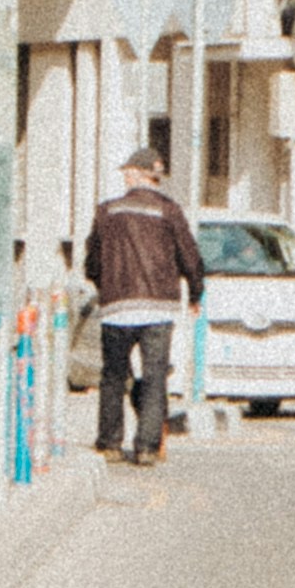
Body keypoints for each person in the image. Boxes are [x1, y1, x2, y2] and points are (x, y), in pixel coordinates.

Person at [82, 148, 203, 466]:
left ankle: (110, 443)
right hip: (159, 307)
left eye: (127, 171)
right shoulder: (169, 210)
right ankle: (147, 447)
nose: (124, 176)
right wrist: (195, 294)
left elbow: (92, 261)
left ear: (137, 174)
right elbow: (189, 256)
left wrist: (104, 285)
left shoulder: (107, 211)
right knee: (154, 376)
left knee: (113, 376)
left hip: (117, 306)